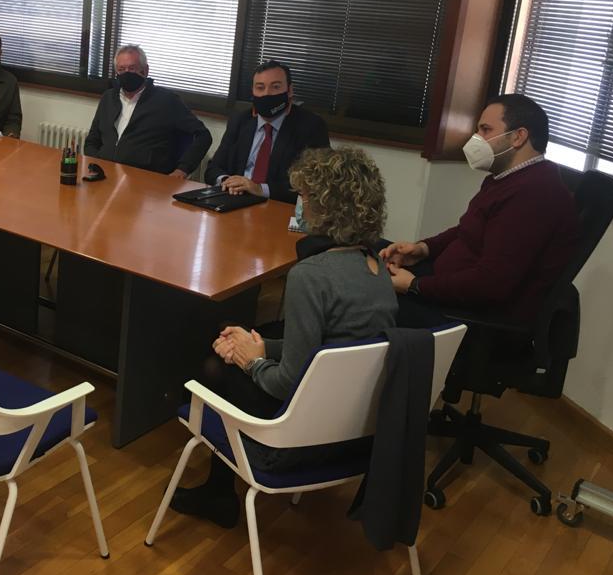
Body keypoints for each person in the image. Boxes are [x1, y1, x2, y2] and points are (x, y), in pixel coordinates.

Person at [171, 147, 397, 528]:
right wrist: (258, 346)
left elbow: (285, 383)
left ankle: (218, 493)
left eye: (304, 196)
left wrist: (250, 360)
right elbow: (328, 350)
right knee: (234, 347)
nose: (298, 205)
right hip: (357, 434)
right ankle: (217, 487)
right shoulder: (377, 268)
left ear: (327, 206)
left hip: (295, 442)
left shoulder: (311, 276)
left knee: (214, 366)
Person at [381, 94, 577, 326]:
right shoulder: (505, 178)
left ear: (518, 137)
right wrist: (423, 249)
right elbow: (467, 230)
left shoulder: (535, 194)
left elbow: (491, 284)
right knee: (371, 252)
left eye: (485, 130)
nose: (476, 138)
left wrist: (415, 286)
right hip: (447, 285)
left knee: (366, 298)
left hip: (473, 316)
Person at [205, 60, 329, 203]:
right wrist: (227, 181)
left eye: (275, 87)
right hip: (234, 199)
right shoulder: (240, 121)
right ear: (253, 91)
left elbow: (315, 183)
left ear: (289, 90)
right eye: (260, 88)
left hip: (277, 205)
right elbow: (213, 168)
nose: (267, 94)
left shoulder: (311, 126)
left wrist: (260, 189)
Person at [83, 44, 212, 177]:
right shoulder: (109, 98)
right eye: (121, 69)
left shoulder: (166, 100)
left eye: (132, 68)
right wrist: (96, 162)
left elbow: (203, 136)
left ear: (145, 70)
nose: (127, 73)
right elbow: (92, 140)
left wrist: (182, 170)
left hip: (146, 177)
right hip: (106, 173)